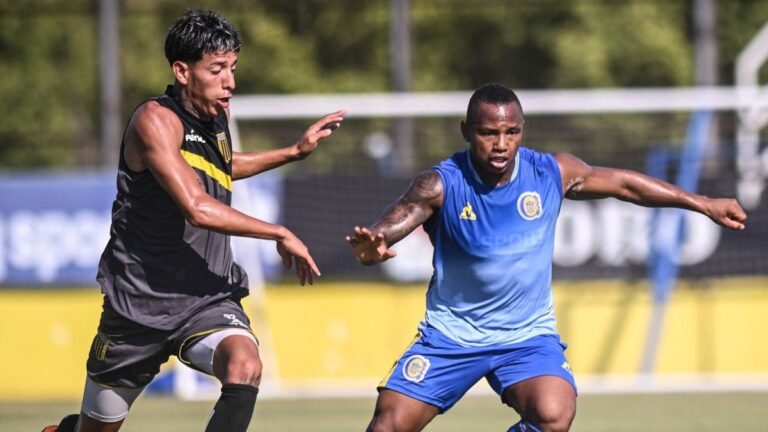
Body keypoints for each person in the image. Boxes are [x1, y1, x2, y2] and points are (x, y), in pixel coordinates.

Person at [346, 83, 747, 432]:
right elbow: (393, 223)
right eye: (488, 133)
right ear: (466, 131)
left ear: (522, 131)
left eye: (511, 132)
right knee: (389, 424)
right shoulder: (441, 182)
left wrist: (702, 202)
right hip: (452, 335)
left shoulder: (550, 172)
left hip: (526, 337)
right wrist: (373, 245)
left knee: (555, 414)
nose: (501, 144)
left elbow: (625, 185)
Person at [42, 10, 345, 432]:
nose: (230, 83)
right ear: (182, 71)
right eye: (217, 70)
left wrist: (292, 152)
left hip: (206, 296)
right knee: (96, 428)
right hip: (139, 305)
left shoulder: (214, 115)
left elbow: (220, 165)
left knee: (245, 365)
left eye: (233, 69)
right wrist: (277, 230)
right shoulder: (154, 121)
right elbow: (197, 206)